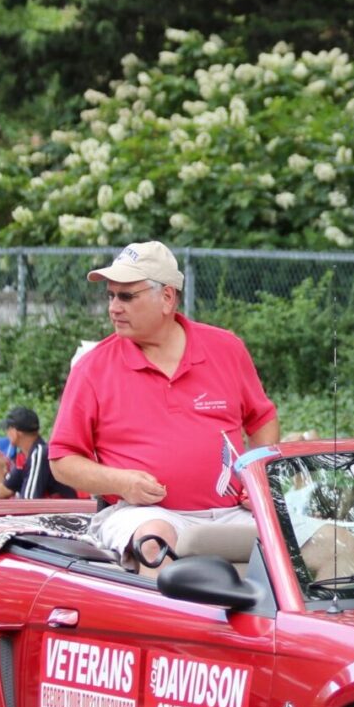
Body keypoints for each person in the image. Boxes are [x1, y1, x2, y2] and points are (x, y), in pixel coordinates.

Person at [49, 241, 279, 576]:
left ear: (167, 298)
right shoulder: (93, 368)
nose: (114, 308)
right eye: (110, 296)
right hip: (143, 515)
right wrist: (121, 482)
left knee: (326, 543)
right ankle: (164, 612)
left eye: (126, 296)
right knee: (154, 542)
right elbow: (62, 460)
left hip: (233, 513)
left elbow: (262, 420)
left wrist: (257, 476)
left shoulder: (225, 348)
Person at [0, 406, 77, 501]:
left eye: (7, 430)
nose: (6, 434)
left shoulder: (39, 453)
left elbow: (29, 500)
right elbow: (6, 488)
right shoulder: (24, 456)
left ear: (15, 432)